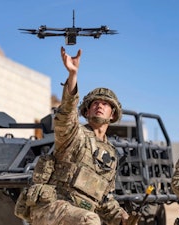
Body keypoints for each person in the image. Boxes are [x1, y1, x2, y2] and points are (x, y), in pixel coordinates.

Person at [28, 46, 129, 225]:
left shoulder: (111, 155)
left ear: (112, 115)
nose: (99, 105)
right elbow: (66, 114)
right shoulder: (74, 135)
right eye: (95, 103)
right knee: (90, 220)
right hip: (51, 207)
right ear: (86, 112)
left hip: (79, 214)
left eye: (105, 104)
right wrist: (72, 75)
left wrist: (121, 217)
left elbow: (105, 199)